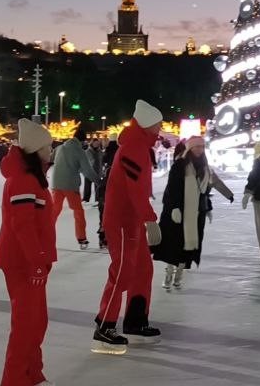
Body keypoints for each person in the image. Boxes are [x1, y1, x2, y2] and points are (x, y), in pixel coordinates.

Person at [93, 101, 163, 354]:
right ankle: (105, 325)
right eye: (158, 123)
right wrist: (150, 218)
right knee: (122, 271)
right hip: (122, 220)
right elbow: (134, 189)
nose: (161, 128)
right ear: (147, 123)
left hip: (132, 219)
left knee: (142, 270)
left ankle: (135, 320)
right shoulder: (134, 147)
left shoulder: (140, 146)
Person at [0, 118, 56, 386]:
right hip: (22, 262)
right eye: (48, 147)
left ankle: (32, 374)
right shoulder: (23, 181)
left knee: (36, 322)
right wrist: (36, 262)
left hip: (32, 259)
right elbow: (23, 227)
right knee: (25, 325)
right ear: (36, 150)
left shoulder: (32, 178)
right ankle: (15, 379)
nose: (51, 152)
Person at [152, 136, 234, 291]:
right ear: (190, 148)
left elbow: (207, 190)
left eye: (202, 147)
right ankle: (169, 273)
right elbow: (172, 188)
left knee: (189, 246)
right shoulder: (180, 165)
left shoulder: (205, 167)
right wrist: (174, 208)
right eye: (196, 147)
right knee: (175, 244)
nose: (199, 150)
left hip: (197, 213)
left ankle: (179, 274)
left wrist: (210, 206)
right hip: (179, 212)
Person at [51, 133, 98, 250]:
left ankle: (44, 233)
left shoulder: (60, 147)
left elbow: (49, 159)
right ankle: (81, 238)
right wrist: (99, 181)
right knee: (78, 211)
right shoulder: (79, 151)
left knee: (54, 211)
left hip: (56, 183)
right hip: (70, 185)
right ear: (82, 141)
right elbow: (87, 170)